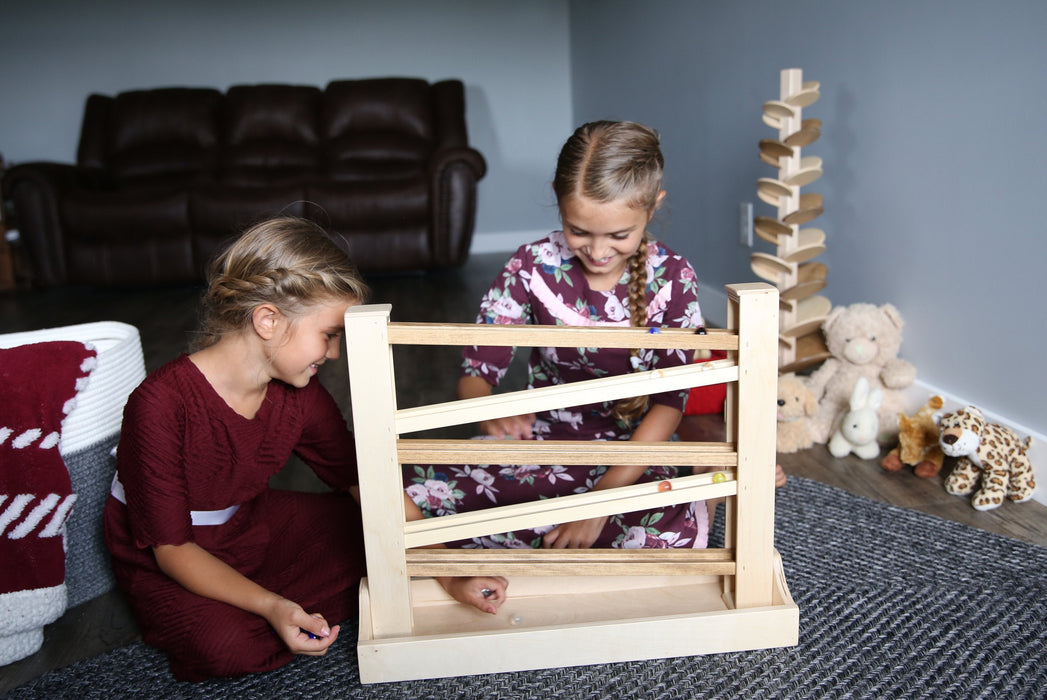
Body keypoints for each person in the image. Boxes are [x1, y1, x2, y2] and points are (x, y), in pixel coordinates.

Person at [404, 121, 734, 615]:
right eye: (578, 230)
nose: (598, 252)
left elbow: (671, 403)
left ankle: (687, 495)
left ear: (652, 208)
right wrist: (489, 409)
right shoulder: (531, 265)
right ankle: (479, 556)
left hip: (633, 454)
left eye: (619, 235)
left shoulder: (674, 278)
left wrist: (599, 503)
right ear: (559, 206)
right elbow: (478, 369)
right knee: (400, 492)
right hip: (543, 443)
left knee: (667, 530)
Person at [104, 217, 369, 682]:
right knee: (226, 647)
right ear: (268, 320)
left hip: (247, 525)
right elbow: (172, 549)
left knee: (376, 533)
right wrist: (272, 605)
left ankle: (273, 602)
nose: (333, 353)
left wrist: (443, 568)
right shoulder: (160, 404)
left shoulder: (299, 392)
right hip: (175, 556)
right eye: (329, 335)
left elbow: (360, 479)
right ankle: (271, 605)